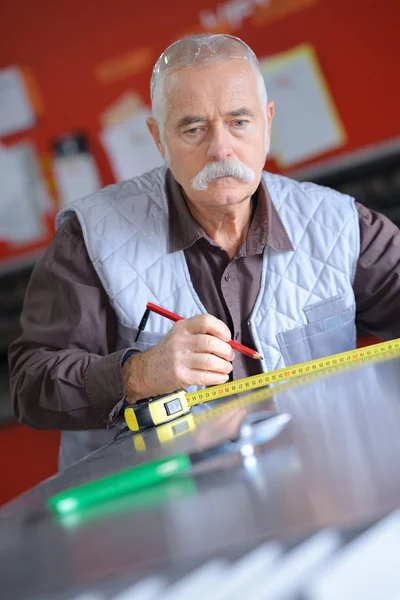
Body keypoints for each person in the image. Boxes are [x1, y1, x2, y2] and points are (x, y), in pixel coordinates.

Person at [8, 34, 400, 469]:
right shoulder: (90, 239)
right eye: (193, 129)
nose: (220, 148)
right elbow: (30, 385)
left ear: (267, 123)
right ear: (158, 139)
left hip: (325, 484)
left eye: (239, 121)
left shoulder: (339, 224)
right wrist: (137, 375)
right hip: (163, 513)